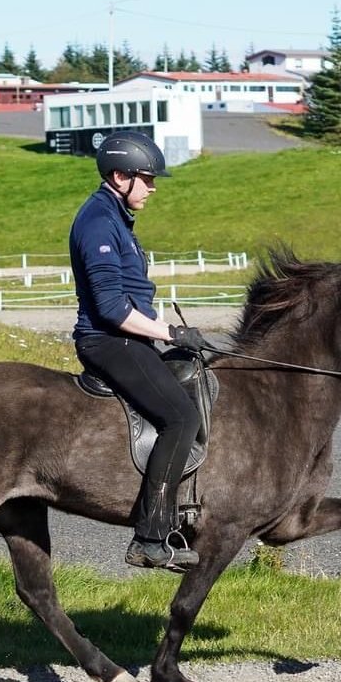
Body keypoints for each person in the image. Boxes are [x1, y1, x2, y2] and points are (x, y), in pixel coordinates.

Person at [69, 130, 209, 571]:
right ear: (119, 176)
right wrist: (169, 332)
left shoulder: (116, 218)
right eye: (146, 178)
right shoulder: (97, 223)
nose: (153, 187)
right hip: (108, 341)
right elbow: (111, 308)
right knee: (180, 417)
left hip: (130, 337)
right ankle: (150, 537)